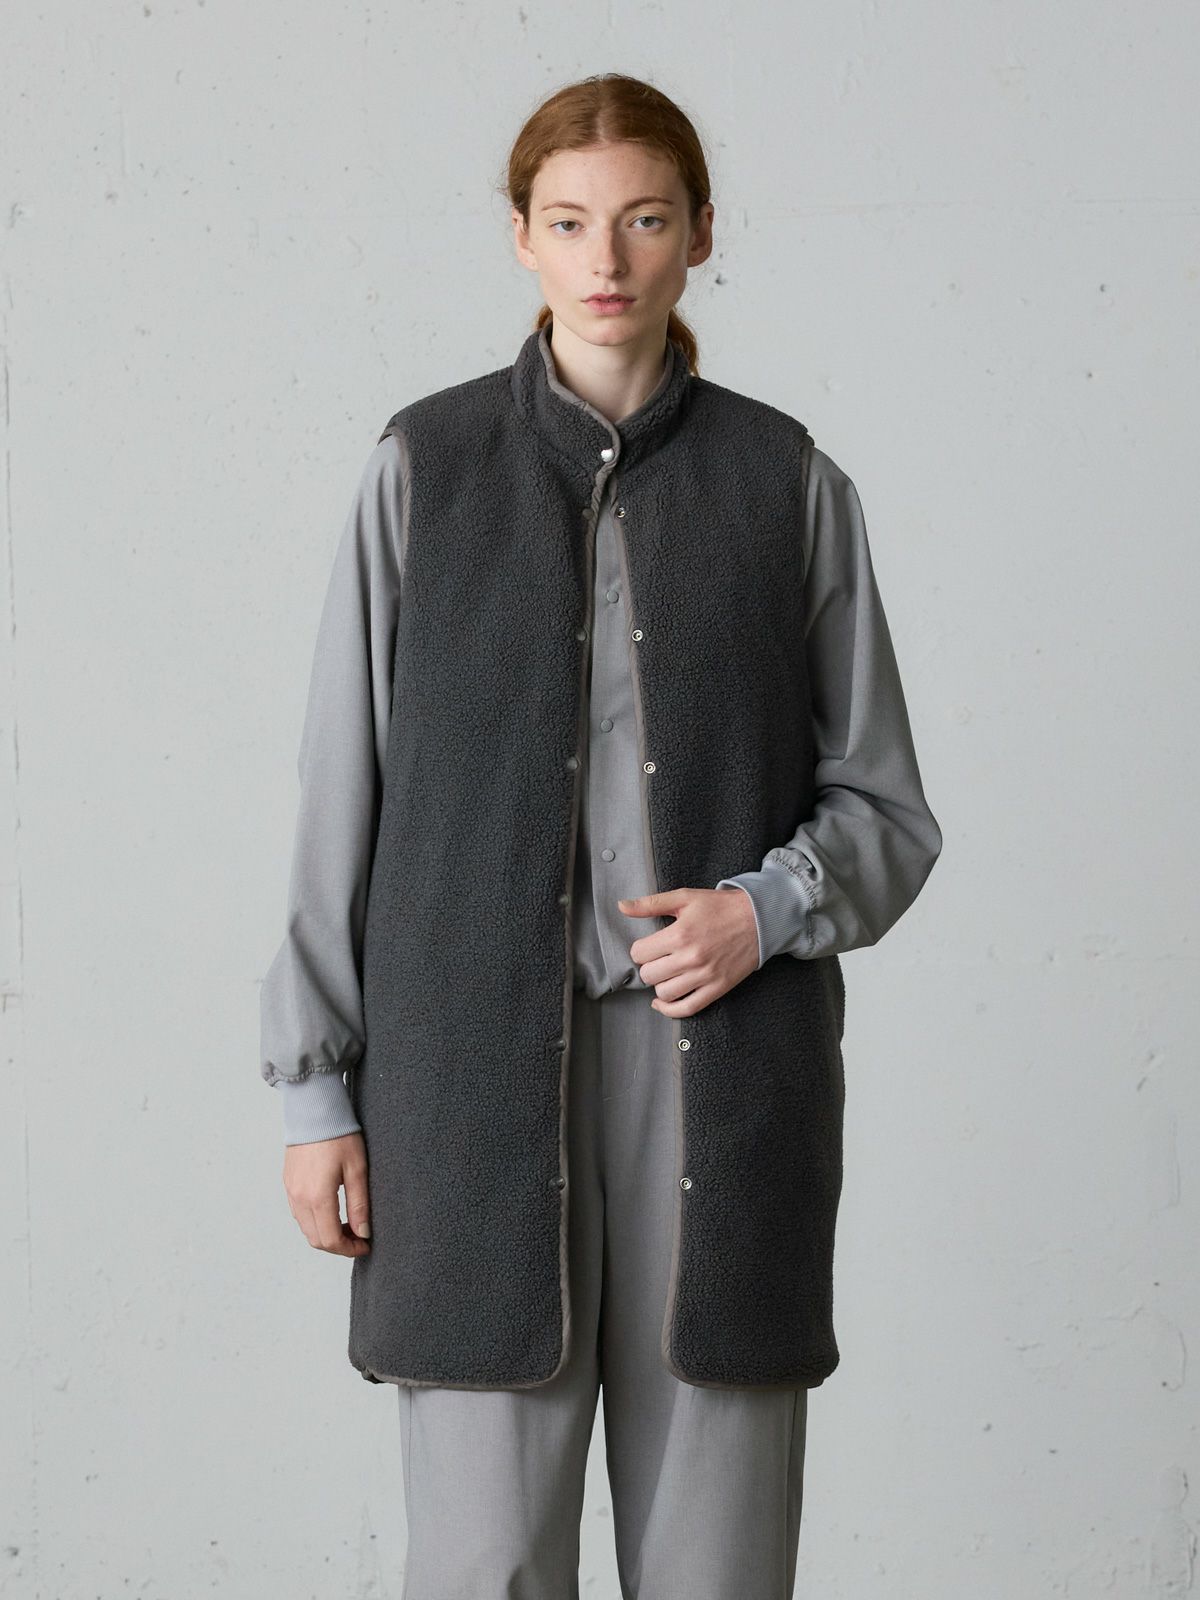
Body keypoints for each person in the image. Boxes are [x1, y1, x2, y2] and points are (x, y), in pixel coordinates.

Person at [260, 71, 942, 1600]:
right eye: (569, 223)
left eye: (643, 219)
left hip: (727, 1086)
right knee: (483, 1566)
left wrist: (766, 908)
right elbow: (339, 796)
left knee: (718, 1573)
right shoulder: (424, 470)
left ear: (701, 232)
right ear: (521, 238)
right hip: (468, 1092)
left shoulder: (788, 484)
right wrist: (314, 1091)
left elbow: (889, 807)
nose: (607, 259)